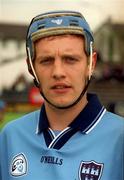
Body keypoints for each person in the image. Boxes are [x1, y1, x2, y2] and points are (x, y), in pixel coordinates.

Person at [0, 11, 124, 180]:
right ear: (31, 68)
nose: (58, 72)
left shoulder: (120, 137)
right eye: (46, 60)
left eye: (70, 59)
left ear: (91, 64)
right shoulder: (10, 136)